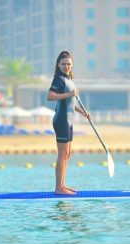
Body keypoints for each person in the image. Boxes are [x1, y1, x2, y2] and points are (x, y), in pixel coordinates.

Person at [47, 51, 90, 195]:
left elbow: (70, 103)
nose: (66, 66)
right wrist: (70, 94)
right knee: (62, 154)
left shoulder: (69, 80)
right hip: (61, 121)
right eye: (63, 64)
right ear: (58, 65)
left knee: (67, 154)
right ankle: (58, 188)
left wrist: (82, 112)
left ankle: (62, 185)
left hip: (69, 121)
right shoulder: (58, 79)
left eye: (69, 64)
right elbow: (50, 96)